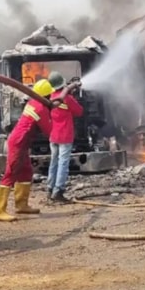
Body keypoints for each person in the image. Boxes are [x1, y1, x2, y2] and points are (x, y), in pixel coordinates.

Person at [0, 78, 80, 221]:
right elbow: (49, 130)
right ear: (45, 96)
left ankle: (22, 205)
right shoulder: (40, 109)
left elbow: (53, 103)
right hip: (19, 143)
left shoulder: (34, 102)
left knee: (26, 172)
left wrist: (67, 90)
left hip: (22, 143)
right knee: (11, 173)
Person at [46, 72, 83, 202]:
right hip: (65, 136)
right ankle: (58, 191)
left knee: (54, 162)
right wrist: (73, 96)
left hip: (53, 135)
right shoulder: (67, 98)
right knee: (63, 163)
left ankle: (50, 188)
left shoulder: (52, 96)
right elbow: (79, 112)